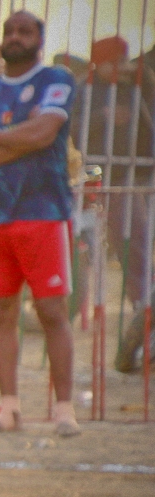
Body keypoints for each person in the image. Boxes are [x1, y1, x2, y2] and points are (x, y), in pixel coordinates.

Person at [0, 11, 80, 436]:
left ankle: (64, 408)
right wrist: (23, 137)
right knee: (0, 311)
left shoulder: (57, 79)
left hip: (44, 212)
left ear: (39, 39)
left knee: (52, 310)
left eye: (25, 31)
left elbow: (43, 134)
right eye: (10, 31)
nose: (16, 37)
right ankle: (9, 407)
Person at [76, 36, 154, 372]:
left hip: (133, 176)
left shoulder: (135, 88)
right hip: (99, 179)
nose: (123, 67)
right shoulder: (85, 89)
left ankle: (143, 315)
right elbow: (73, 132)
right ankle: (141, 314)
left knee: (137, 246)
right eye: (116, 61)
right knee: (122, 247)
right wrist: (103, 117)